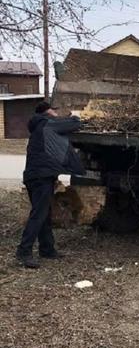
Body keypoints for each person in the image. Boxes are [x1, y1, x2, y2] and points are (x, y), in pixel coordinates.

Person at [16, 101, 85, 269]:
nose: (56, 113)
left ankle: (47, 249)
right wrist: (77, 116)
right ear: (47, 112)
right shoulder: (47, 124)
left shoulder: (39, 127)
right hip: (41, 177)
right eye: (54, 111)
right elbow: (75, 123)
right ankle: (23, 251)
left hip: (35, 177)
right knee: (39, 214)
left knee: (44, 212)